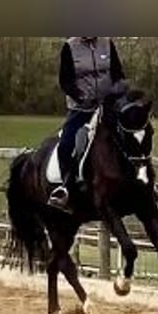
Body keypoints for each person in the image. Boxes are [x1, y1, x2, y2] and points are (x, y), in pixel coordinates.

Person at [47, 37, 126, 212]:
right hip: (81, 109)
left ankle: (145, 181)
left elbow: (118, 74)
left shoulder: (107, 43)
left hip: (108, 106)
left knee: (133, 135)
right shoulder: (69, 47)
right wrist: (80, 96)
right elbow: (65, 81)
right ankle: (66, 189)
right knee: (66, 144)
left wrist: (116, 92)